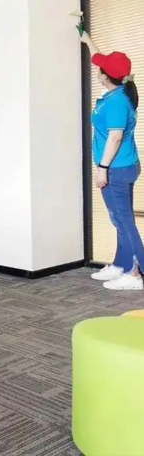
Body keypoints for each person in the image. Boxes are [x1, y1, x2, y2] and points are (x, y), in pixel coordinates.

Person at [81, 32, 142, 291]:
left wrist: (103, 169)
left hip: (116, 168)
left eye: (101, 67)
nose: (97, 67)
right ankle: (121, 264)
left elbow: (115, 137)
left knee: (124, 220)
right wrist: (87, 39)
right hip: (123, 166)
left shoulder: (117, 101)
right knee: (119, 218)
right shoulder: (117, 90)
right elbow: (99, 59)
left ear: (105, 76)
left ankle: (136, 273)